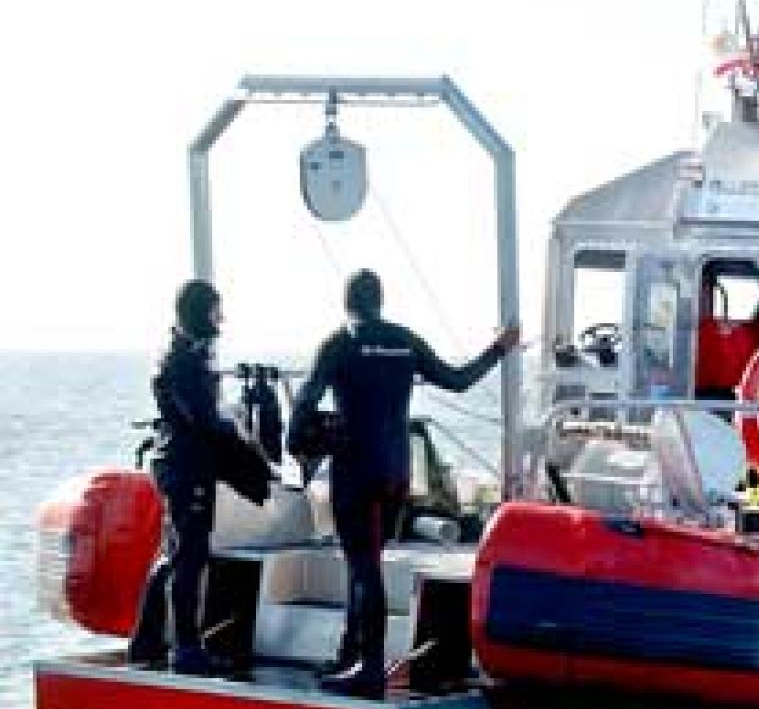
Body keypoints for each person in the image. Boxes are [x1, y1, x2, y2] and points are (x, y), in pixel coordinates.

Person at [289, 269, 518, 700]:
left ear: (347, 302)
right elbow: (457, 380)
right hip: (395, 471)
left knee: (363, 568)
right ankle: (349, 655)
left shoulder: (339, 342)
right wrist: (499, 349)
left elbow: (306, 400)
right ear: (381, 300)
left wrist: (298, 440)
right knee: (369, 561)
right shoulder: (404, 339)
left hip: (356, 469)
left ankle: (369, 668)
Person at [128, 279, 269, 675]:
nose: (221, 318)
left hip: (182, 463)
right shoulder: (181, 361)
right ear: (197, 312)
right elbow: (204, 419)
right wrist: (241, 436)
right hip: (186, 466)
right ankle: (186, 648)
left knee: (174, 554)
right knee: (189, 556)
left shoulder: (185, 354)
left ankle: (146, 641)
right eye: (214, 310)